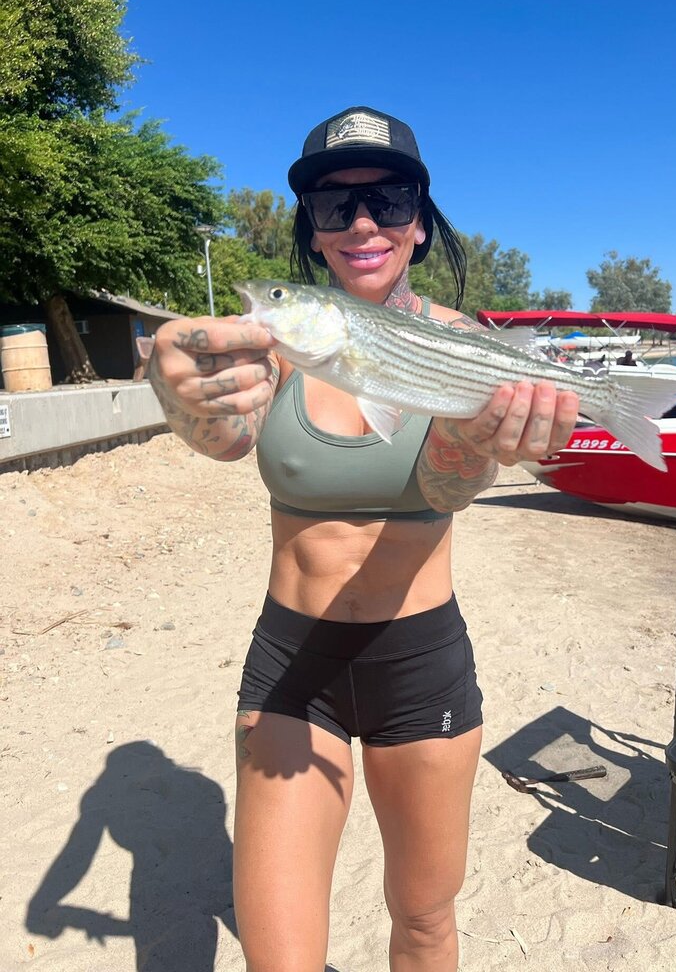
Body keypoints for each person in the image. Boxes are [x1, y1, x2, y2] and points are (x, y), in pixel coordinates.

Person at [149, 105, 579, 972]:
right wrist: (175, 380)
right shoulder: (279, 342)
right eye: (332, 205)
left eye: (387, 200)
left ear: (419, 221)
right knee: (278, 956)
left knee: (422, 921)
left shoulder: (466, 348)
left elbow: (448, 489)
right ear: (312, 229)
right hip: (292, 663)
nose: (361, 223)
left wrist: (482, 440)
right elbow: (222, 438)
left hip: (419, 663)